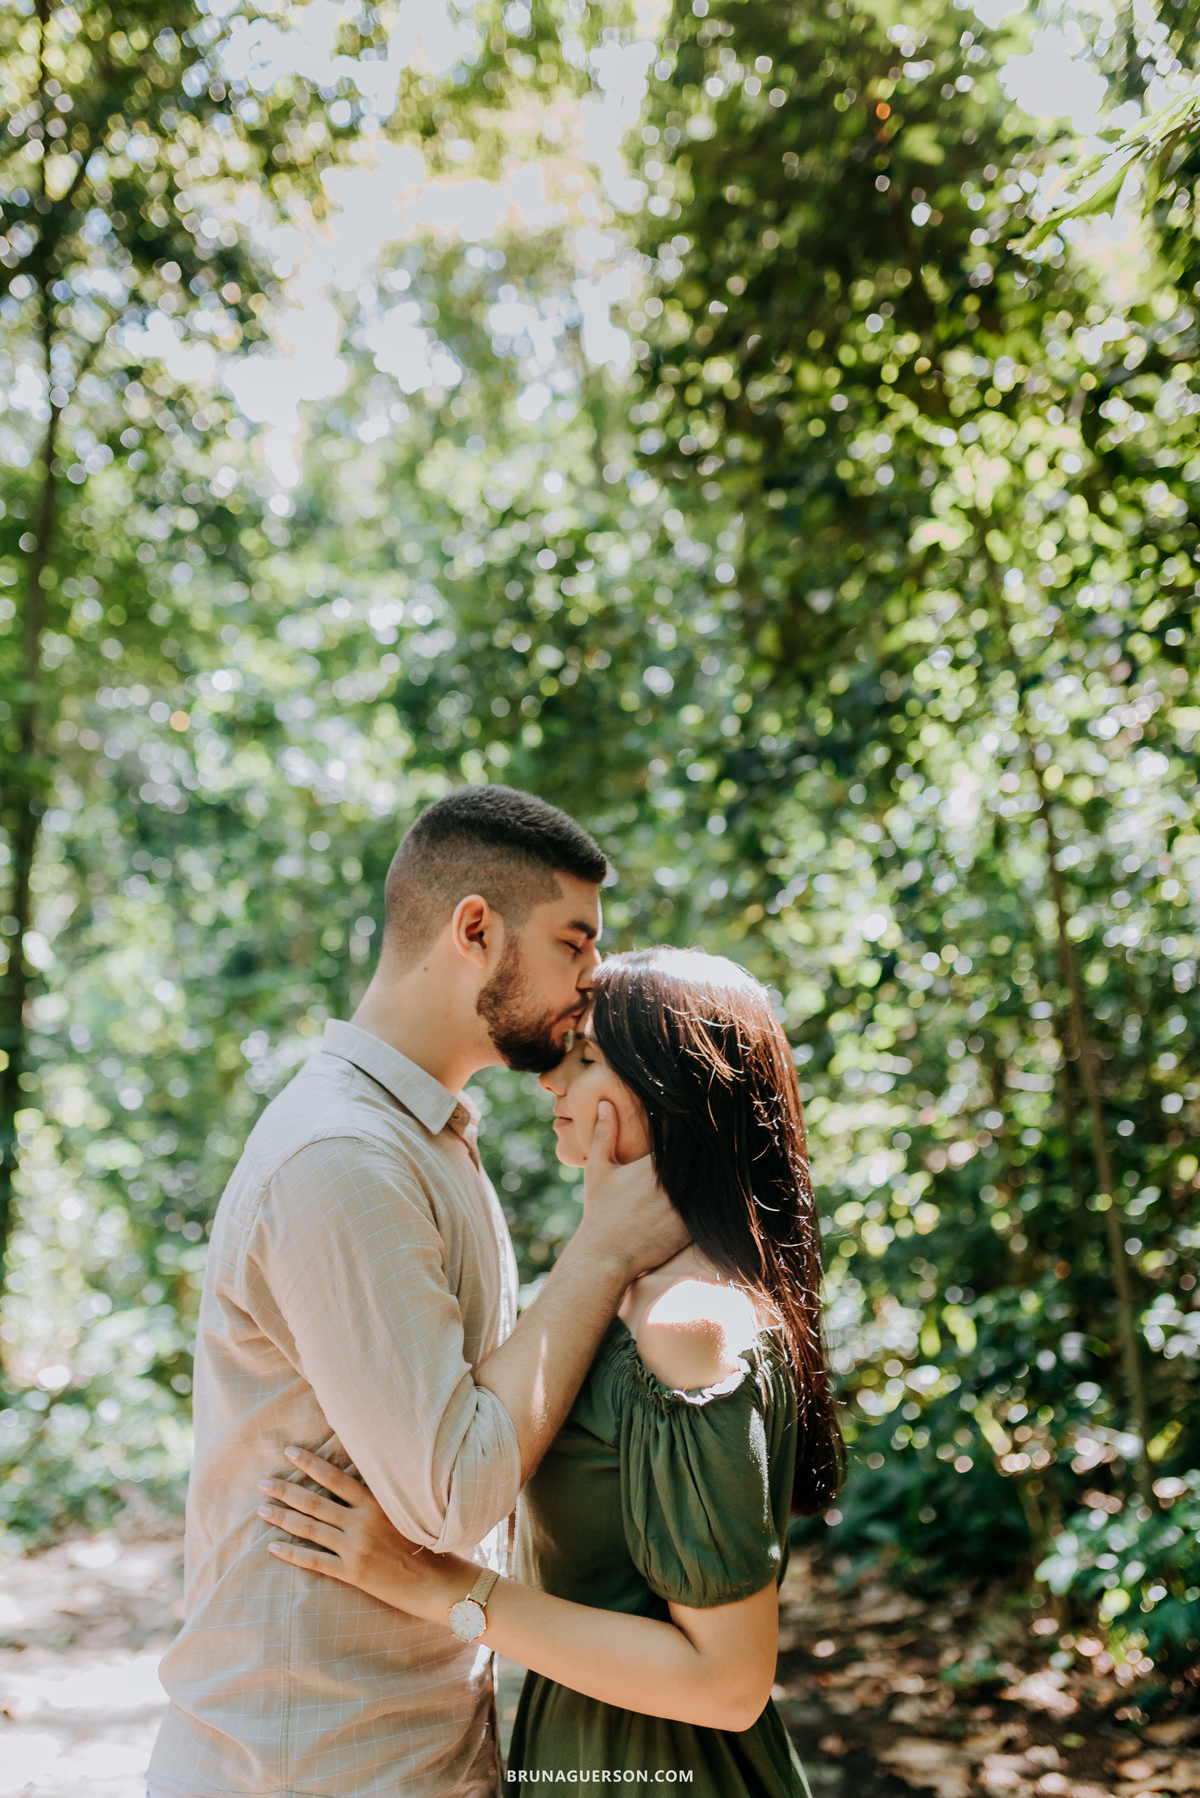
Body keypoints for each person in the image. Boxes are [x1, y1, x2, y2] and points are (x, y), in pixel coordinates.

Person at [147, 789, 688, 1798]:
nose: (594, 975)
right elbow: (452, 1493)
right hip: (308, 1766)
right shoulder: (342, 1156)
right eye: (576, 941)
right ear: (475, 929)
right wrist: (602, 1249)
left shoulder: (427, 1140)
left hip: (410, 1750)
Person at [256, 946, 844, 1796]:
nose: (548, 1080)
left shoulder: (689, 1324)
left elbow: (728, 1684)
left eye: (590, 1057)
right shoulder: (634, 1294)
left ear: (674, 1091)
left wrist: (440, 1588)